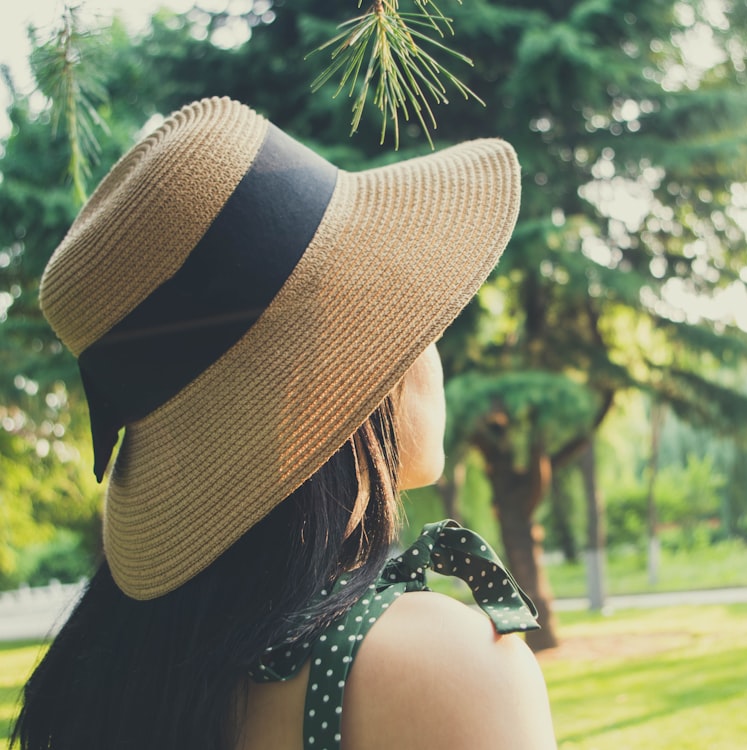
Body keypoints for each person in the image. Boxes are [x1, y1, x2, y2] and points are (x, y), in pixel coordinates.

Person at [11, 96, 557, 750]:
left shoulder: (97, 680)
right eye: (407, 317)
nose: (434, 347)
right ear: (337, 375)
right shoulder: (443, 668)